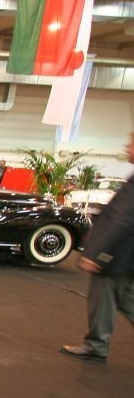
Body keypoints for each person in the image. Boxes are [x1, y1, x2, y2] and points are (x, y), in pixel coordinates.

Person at [60, 132, 134, 362]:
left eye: (132, 144)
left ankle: (96, 345)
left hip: (116, 256)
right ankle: (96, 344)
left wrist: (98, 254)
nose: (127, 147)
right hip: (125, 256)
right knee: (126, 300)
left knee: (104, 301)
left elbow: (121, 220)